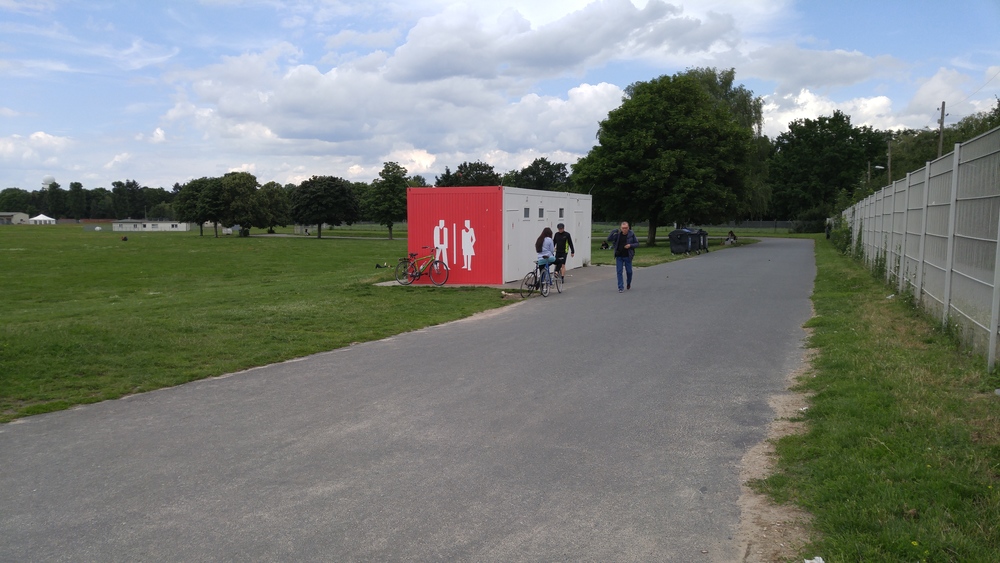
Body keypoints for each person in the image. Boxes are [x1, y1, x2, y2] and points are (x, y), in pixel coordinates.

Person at [607, 221, 639, 293]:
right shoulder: (618, 235)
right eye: (623, 228)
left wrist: (630, 245)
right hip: (619, 256)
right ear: (620, 228)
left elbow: (637, 243)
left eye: (626, 228)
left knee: (629, 271)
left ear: (628, 228)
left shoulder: (631, 234)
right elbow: (609, 239)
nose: (624, 229)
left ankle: (628, 283)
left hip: (628, 255)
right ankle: (620, 287)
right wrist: (614, 231)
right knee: (619, 272)